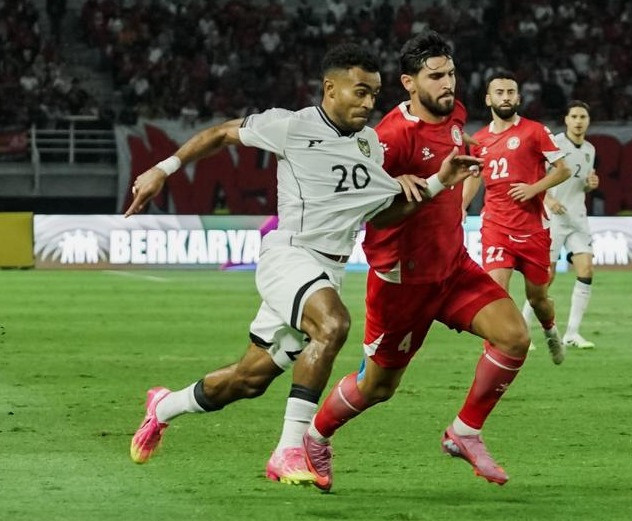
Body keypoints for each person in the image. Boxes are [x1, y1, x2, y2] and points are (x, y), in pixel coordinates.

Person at [126, 44, 482, 486]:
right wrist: (164, 167)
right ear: (330, 88)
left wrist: (436, 184)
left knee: (249, 379)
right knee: (333, 324)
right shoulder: (291, 126)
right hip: (289, 255)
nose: (369, 103)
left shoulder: (369, 145)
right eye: (359, 92)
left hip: (327, 269)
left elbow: (381, 212)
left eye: (374, 94)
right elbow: (220, 134)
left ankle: (162, 407)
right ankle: (288, 450)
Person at [301, 31, 530, 491]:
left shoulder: (455, 115)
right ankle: (313, 438)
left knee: (514, 337)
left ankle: (464, 431)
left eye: (451, 74)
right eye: (436, 76)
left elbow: (451, 152)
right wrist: (396, 185)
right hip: (402, 283)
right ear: (408, 83)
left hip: (453, 267)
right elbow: (367, 212)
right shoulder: (387, 139)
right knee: (378, 388)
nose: (449, 84)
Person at [462, 70, 571, 365]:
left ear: (518, 97)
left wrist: (533, 188)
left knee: (538, 299)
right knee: (495, 294)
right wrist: (461, 206)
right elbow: (475, 176)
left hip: (533, 229)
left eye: (511, 92)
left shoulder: (535, 131)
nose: (506, 97)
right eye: (500, 92)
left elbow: (563, 169)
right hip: (496, 226)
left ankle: (550, 330)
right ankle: (493, 360)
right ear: (488, 99)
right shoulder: (480, 140)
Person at [522, 100, 599, 349]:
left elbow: (580, 185)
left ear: (588, 121)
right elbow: (537, 176)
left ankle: (572, 333)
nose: (578, 121)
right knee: (545, 277)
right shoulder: (554, 143)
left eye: (583, 117)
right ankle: (524, 330)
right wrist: (548, 198)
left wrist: (590, 184)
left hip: (577, 217)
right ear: (566, 119)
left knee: (586, 269)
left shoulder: (590, 149)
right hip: (552, 218)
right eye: (574, 116)